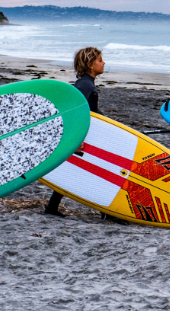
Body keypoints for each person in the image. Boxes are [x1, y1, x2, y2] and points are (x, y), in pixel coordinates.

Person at [43, 47, 105, 217]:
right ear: (90, 65)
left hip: (85, 133)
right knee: (94, 170)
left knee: (74, 170)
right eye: (100, 60)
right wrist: (75, 140)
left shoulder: (87, 83)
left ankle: (52, 207)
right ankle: (107, 212)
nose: (103, 63)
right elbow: (76, 111)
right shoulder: (84, 85)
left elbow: (90, 111)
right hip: (80, 135)